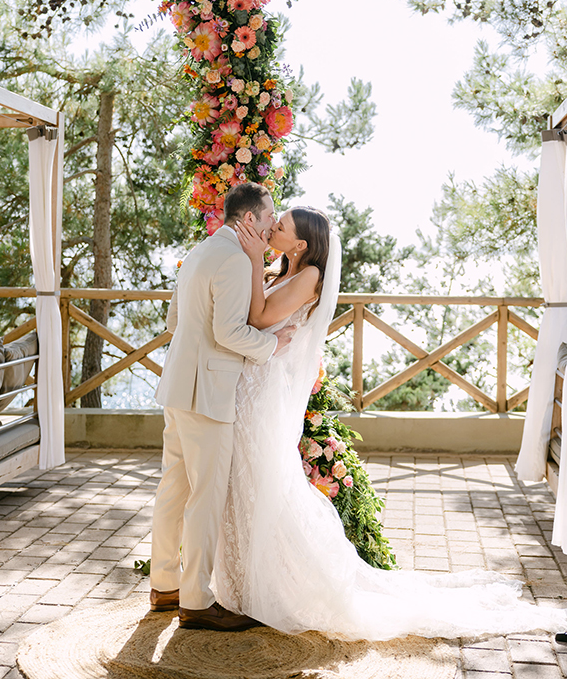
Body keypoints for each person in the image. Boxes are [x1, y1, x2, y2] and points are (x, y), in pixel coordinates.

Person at [212, 206, 567, 640]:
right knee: (246, 481)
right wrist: (256, 267)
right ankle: (244, 582)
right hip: (254, 382)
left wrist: (251, 261)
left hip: (264, 391)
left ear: (302, 245)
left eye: (280, 226)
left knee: (262, 480)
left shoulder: (308, 276)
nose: (272, 229)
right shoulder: (282, 269)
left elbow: (262, 318)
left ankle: (278, 585)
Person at [150, 182, 293, 632]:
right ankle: (195, 600)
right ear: (248, 218)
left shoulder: (201, 251)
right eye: (269, 215)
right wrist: (272, 344)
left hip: (177, 386)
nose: (272, 223)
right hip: (207, 394)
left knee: (173, 489)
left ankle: (164, 586)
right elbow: (231, 332)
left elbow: (175, 321)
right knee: (206, 497)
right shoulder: (233, 260)